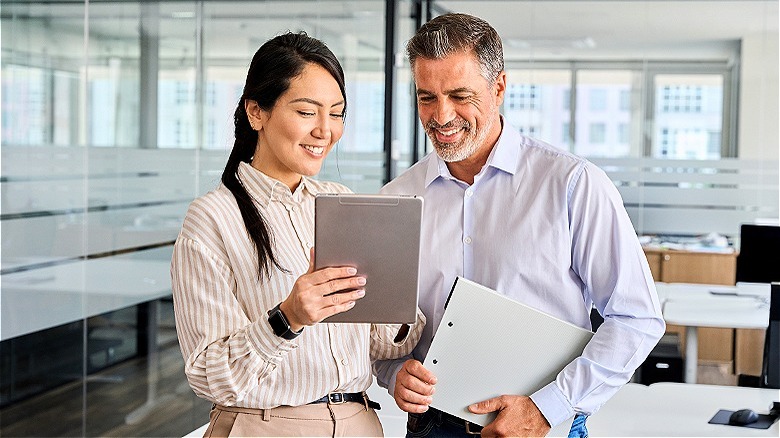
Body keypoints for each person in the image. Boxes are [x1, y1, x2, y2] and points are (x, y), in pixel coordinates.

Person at [373, 13, 665, 438]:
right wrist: (395, 372)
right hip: (432, 427)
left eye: (459, 95)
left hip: (541, 426)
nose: (442, 115)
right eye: (426, 98)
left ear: (499, 87)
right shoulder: (397, 200)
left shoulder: (571, 184)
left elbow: (636, 318)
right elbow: (380, 333)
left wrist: (547, 408)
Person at [171, 32, 425, 437]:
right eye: (307, 112)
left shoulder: (340, 202)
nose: (325, 130)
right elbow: (208, 375)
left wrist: (397, 295)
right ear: (257, 112)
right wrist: (287, 319)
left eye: (337, 113)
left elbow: (380, 346)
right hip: (265, 427)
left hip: (359, 423)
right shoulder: (211, 219)